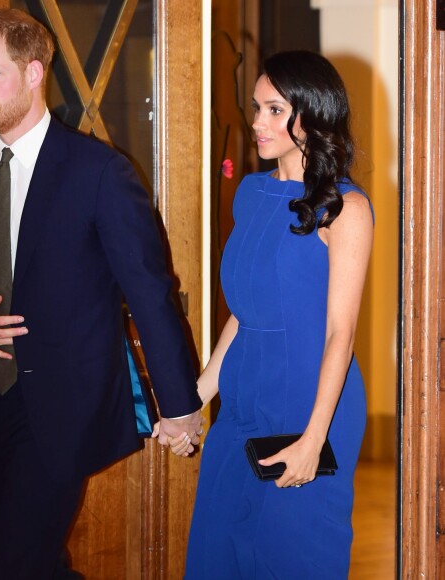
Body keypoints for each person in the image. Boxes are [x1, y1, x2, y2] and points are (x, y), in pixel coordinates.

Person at [0, 8, 203, 579]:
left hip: (64, 409)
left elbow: (150, 291)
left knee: (10, 568)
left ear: (33, 74)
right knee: (38, 565)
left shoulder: (99, 172)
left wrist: (179, 405)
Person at [165, 51, 374, 578]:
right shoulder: (251, 192)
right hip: (243, 403)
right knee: (220, 554)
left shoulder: (346, 208)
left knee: (294, 557)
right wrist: (195, 399)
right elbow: (246, 312)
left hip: (308, 405)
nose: (257, 122)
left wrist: (313, 439)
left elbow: (339, 334)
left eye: (274, 110)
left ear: (313, 115)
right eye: (257, 107)